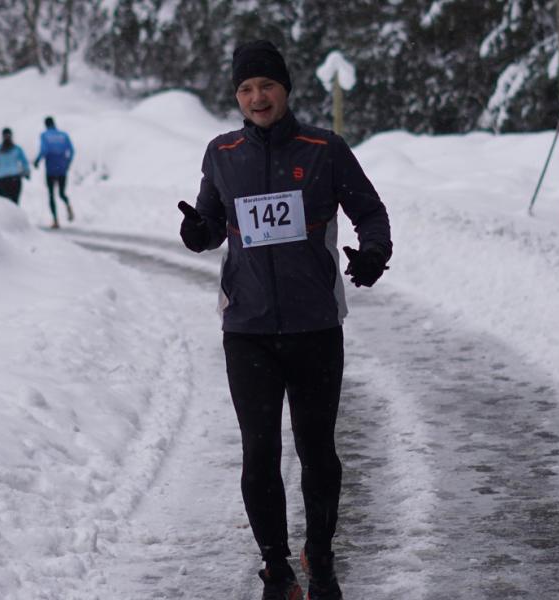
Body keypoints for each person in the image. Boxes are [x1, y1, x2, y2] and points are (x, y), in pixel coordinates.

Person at [177, 40, 391, 600]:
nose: (256, 97)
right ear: (236, 97)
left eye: (266, 85)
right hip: (246, 329)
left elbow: (369, 210)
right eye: (245, 89)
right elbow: (212, 219)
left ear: (286, 89)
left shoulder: (324, 148)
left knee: (317, 448)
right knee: (259, 450)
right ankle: (276, 566)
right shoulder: (222, 152)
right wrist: (200, 231)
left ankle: (319, 555)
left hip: (314, 326)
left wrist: (373, 252)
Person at [33, 116, 76, 229]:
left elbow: (44, 150)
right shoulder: (63, 135)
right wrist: (67, 162)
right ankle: (68, 205)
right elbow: (71, 150)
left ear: (46, 125)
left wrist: (37, 160)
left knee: (51, 194)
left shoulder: (45, 135)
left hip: (51, 168)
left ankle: (55, 220)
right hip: (62, 168)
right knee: (62, 193)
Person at [0, 127, 30, 204]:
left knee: (5, 205)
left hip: (2, 180)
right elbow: (24, 162)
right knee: (15, 203)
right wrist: (26, 172)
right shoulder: (17, 149)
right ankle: (16, 216)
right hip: (15, 179)